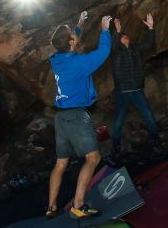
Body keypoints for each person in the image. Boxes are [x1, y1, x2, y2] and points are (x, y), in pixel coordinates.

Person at [46, 14, 112, 220]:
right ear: (71, 42)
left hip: (61, 117)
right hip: (76, 115)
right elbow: (104, 51)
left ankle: (51, 207)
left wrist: (80, 23)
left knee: (60, 163)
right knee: (93, 158)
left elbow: (70, 37)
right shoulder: (79, 64)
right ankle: (78, 205)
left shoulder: (57, 59)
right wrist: (105, 30)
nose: (73, 35)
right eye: (71, 34)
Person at [110, 13, 163, 157]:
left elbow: (148, 44)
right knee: (118, 121)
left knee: (149, 116)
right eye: (123, 36)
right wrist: (118, 30)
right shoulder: (115, 52)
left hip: (137, 90)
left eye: (127, 35)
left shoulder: (135, 50)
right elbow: (113, 44)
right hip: (122, 92)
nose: (126, 36)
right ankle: (115, 146)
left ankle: (156, 141)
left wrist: (151, 28)